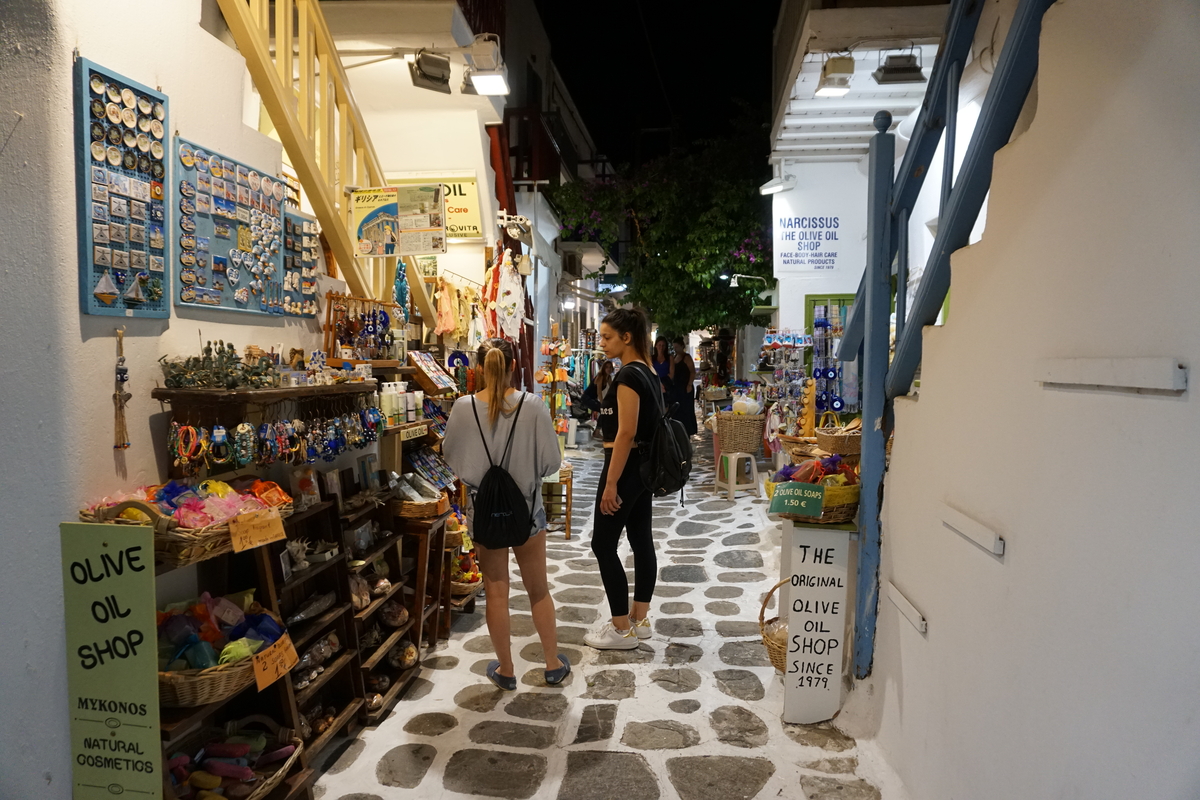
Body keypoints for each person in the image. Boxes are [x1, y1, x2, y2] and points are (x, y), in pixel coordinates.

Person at [443, 338, 570, 689]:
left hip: (484, 512)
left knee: (496, 592)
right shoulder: (533, 407)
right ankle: (551, 663)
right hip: (527, 510)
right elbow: (551, 463)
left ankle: (507, 669)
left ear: (479, 369)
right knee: (538, 590)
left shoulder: (462, 408)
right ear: (514, 366)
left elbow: (451, 456)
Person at [584, 308, 663, 650]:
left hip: (627, 467)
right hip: (643, 468)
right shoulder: (648, 371)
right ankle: (639, 618)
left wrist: (611, 482)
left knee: (603, 544)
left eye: (606, 337)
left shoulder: (629, 376)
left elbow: (626, 432)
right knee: (640, 538)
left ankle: (620, 629)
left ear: (626, 338)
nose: (601, 343)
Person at [668, 336, 699, 436]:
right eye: (674, 347)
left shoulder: (687, 357)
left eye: (677, 347)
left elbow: (692, 372)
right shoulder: (674, 358)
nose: (676, 349)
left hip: (686, 387)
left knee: (686, 410)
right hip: (676, 388)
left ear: (682, 346)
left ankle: (687, 431)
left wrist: (689, 384)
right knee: (677, 410)